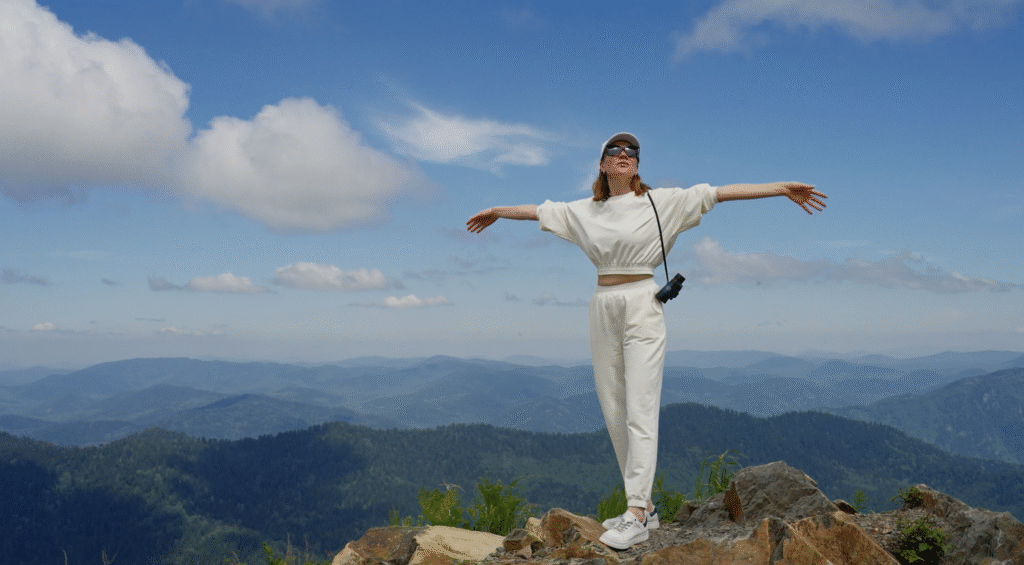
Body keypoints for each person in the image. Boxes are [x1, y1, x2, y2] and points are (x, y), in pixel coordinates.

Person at [465, 132, 826, 550]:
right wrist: (498, 211)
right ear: (602, 164)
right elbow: (538, 211)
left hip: (642, 301)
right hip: (602, 304)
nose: (624, 155)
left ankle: (635, 511)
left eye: (631, 152)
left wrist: (781, 188)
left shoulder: (662, 202)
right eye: (614, 150)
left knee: (640, 404)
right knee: (614, 407)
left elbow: (721, 192)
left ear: (637, 165)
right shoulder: (583, 211)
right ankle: (648, 510)